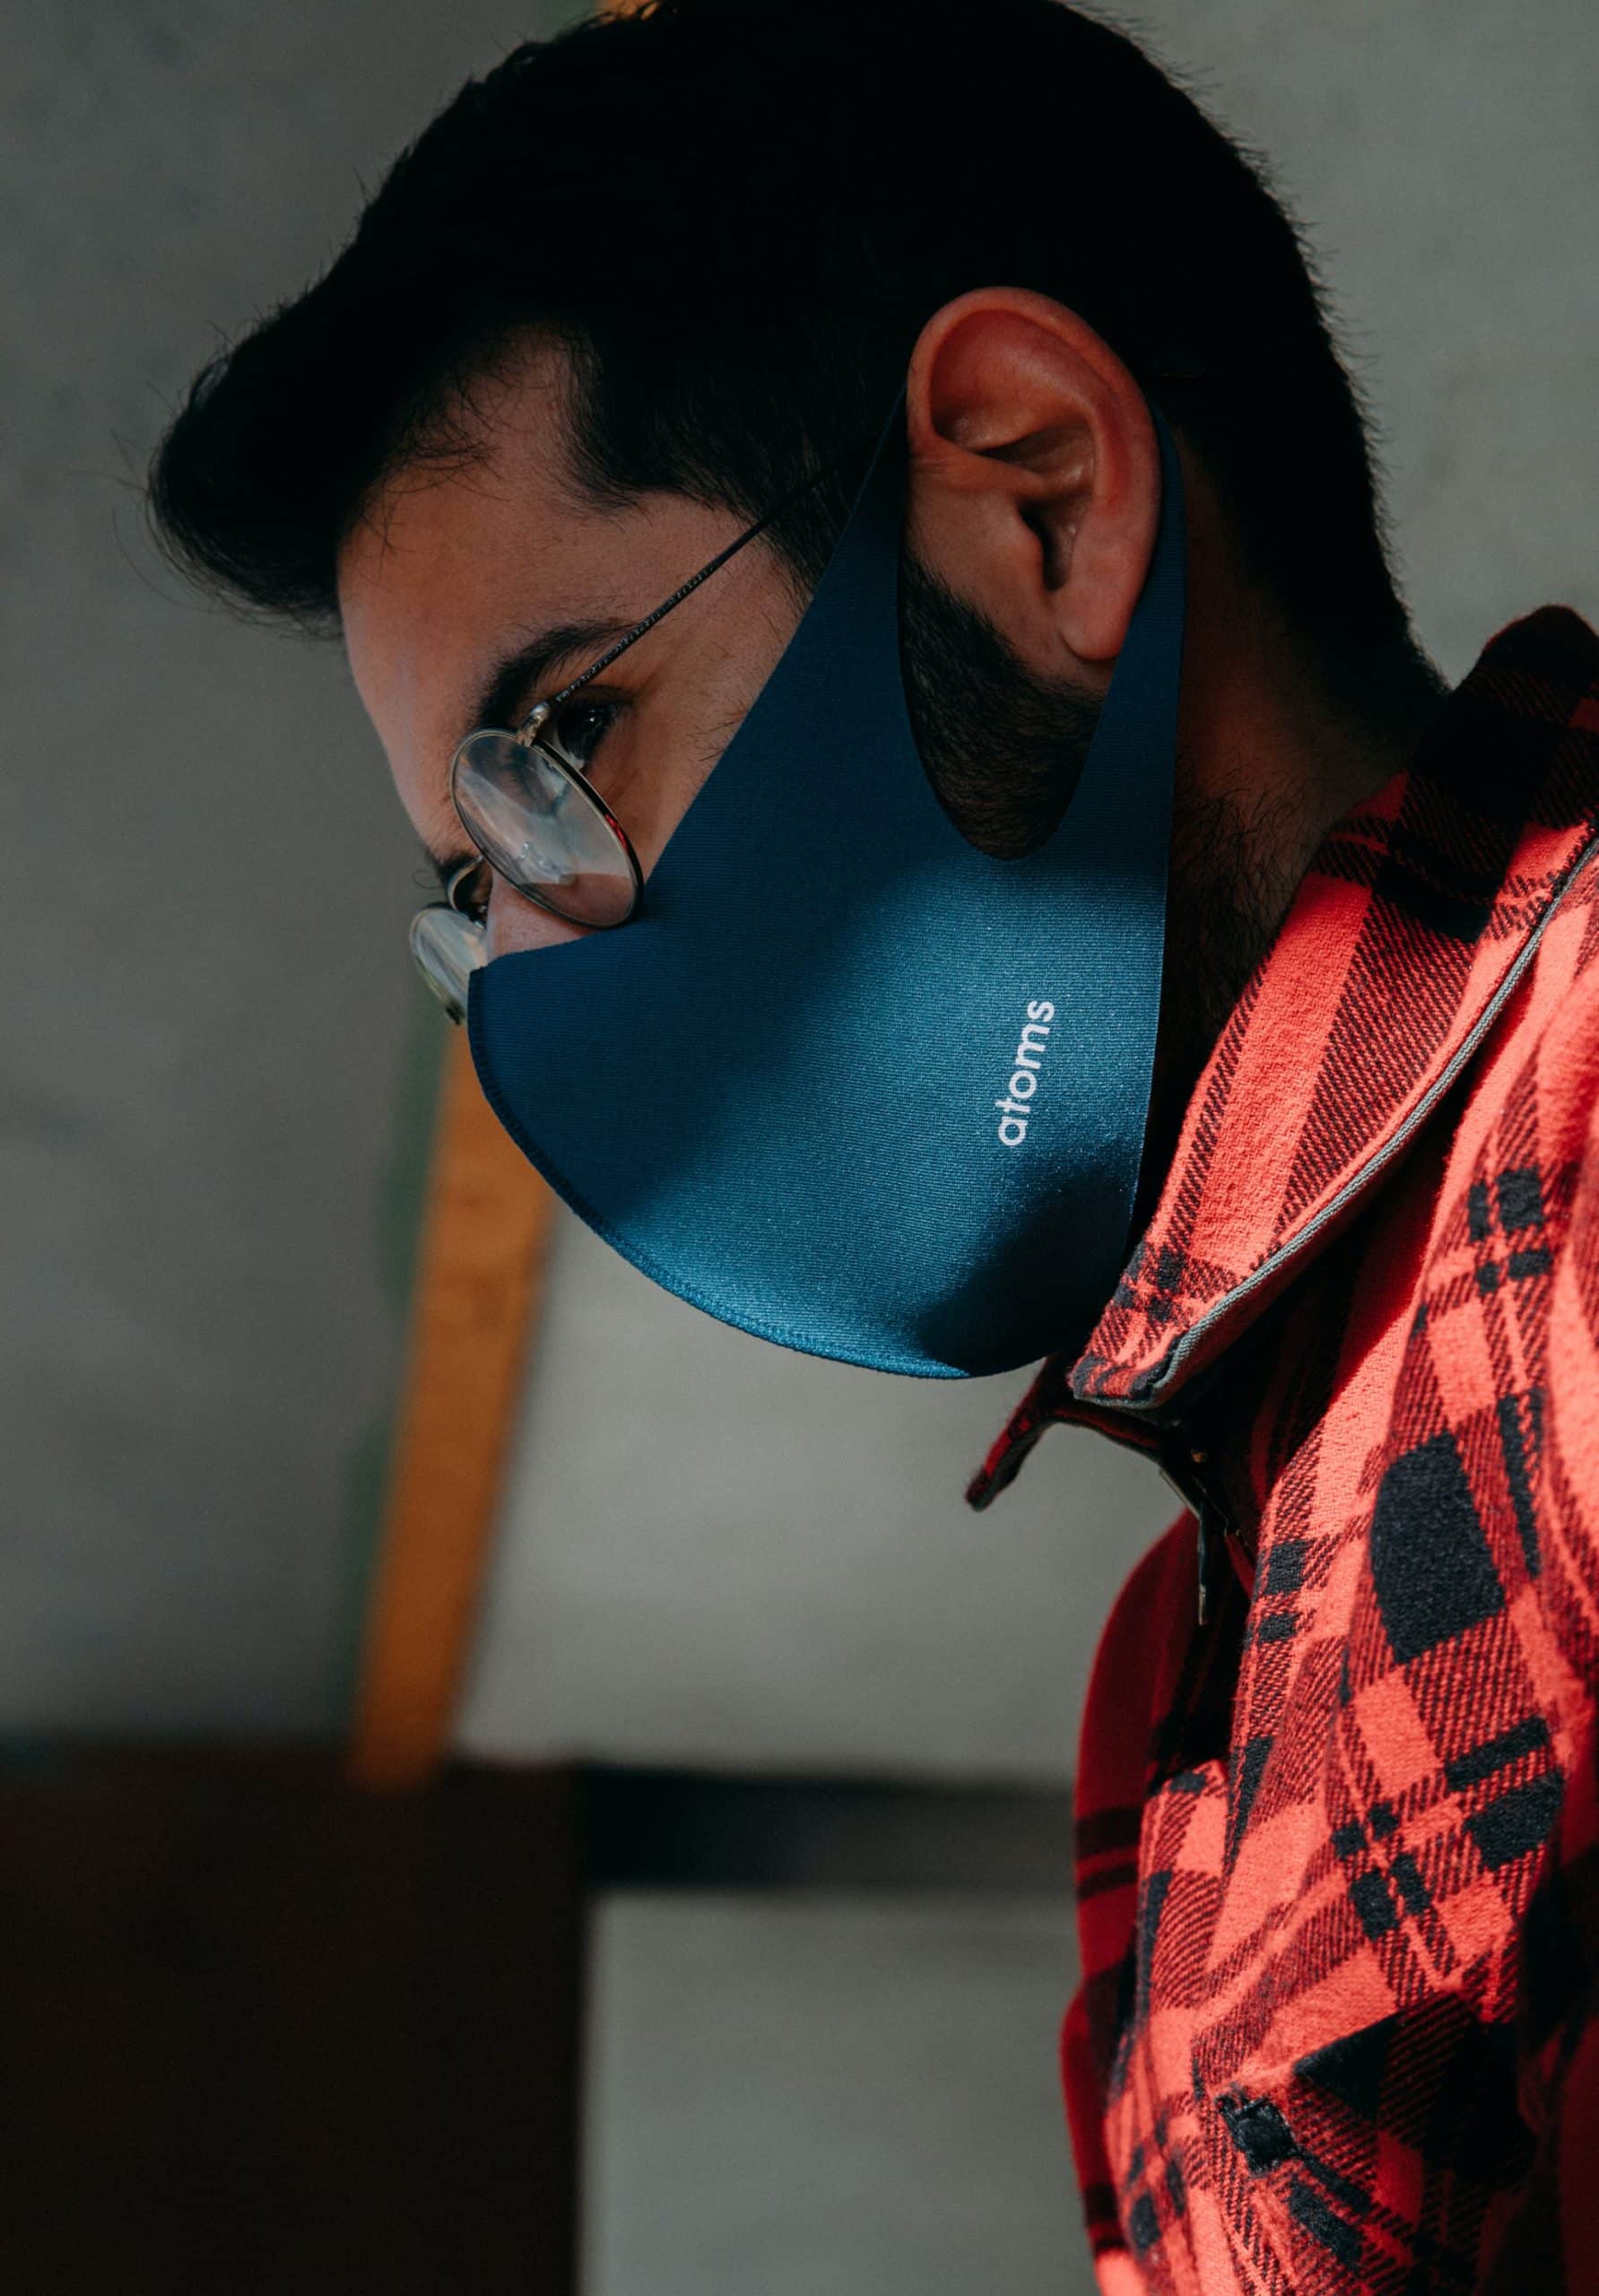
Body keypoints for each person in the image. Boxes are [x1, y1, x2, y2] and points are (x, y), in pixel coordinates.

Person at [146, 0, 1599, 2284]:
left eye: (559, 748)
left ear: (1036, 499)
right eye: (476, 890)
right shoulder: (1173, 1684)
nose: (536, 974)